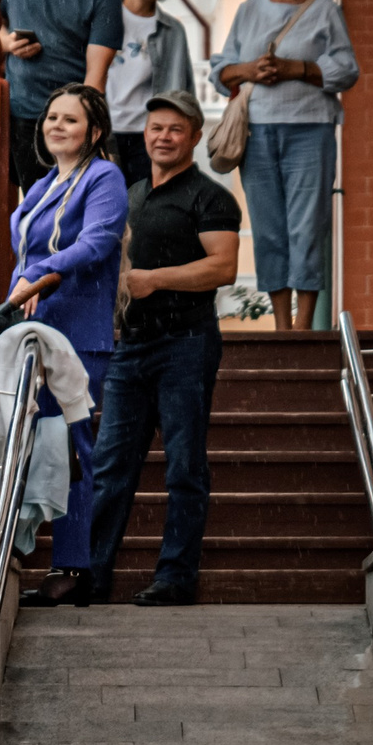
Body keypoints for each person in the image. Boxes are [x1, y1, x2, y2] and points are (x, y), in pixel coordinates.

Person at [87, 90, 241, 607]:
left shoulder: (211, 197)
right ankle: (92, 575)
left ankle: (176, 578)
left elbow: (224, 267)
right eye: (156, 128)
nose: (163, 137)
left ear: (195, 136)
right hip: (130, 347)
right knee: (109, 466)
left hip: (186, 343)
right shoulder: (130, 193)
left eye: (176, 129)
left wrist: (154, 279)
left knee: (184, 467)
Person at [3, 83, 130, 607]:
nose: (56, 126)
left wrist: (41, 273)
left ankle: (75, 567)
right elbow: (25, 254)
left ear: (94, 131)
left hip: (78, 333)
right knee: (34, 445)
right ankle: (21, 550)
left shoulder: (104, 176)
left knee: (73, 451)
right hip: (36, 331)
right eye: (51, 117)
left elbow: (98, 242)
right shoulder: (41, 184)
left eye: (70, 120)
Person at [212, 0, 357, 331]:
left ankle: (304, 325)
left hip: (311, 129)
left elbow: (347, 70)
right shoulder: (249, 11)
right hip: (256, 132)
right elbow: (221, 71)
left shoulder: (325, 11)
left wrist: (299, 68)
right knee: (268, 227)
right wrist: (250, 69)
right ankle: (281, 326)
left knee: (307, 225)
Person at [0, 0, 123, 194]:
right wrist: (8, 43)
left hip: (67, 119)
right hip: (16, 111)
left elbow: (96, 77)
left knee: (61, 203)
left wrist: (82, 126)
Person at [105, 0, 194, 186]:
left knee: (145, 206)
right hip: (103, 132)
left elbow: (183, 92)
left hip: (148, 138)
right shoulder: (101, 17)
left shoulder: (172, 31)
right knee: (104, 204)